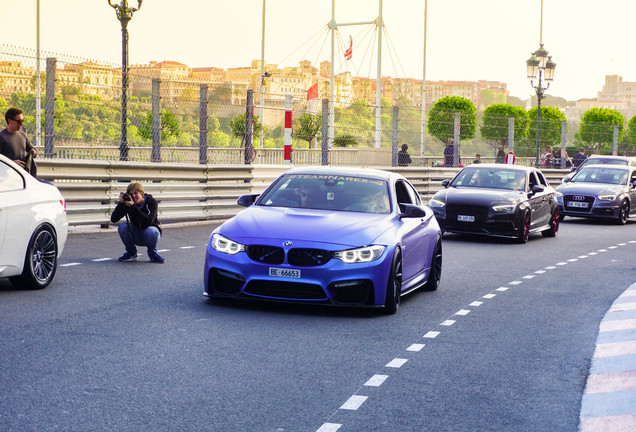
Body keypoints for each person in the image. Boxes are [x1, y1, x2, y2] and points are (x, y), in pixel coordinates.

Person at [111, 182, 165, 263]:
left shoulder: (151, 202)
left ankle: (152, 254)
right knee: (123, 226)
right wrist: (121, 204)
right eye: (131, 194)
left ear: (142, 193)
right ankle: (131, 253)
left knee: (151, 230)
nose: (134, 196)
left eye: (136, 193)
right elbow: (114, 219)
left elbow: (148, 221)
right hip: (136, 234)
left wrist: (133, 207)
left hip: (149, 235)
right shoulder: (128, 203)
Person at [0, 107, 37, 176]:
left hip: (20, 176)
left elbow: (33, 149)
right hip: (5, 177)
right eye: (19, 121)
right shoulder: (2, 137)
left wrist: (33, 152)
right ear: (10, 121)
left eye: (23, 121)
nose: (22, 123)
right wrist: (11, 163)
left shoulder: (23, 135)